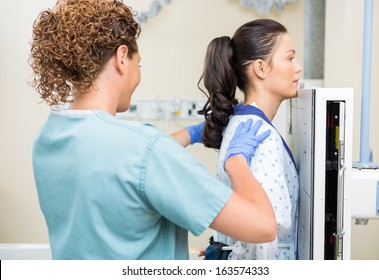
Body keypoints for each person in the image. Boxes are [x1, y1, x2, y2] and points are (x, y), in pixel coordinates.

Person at [28, 0, 276, 260]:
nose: (138, 72)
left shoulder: (47, 138)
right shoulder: (145, 150)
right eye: (139, 64)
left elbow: (121, 165)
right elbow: (262, 226)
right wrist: (236, 160)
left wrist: (191, 134)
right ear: (122, 58)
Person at [197, 19, 303, 260]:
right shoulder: (260, 135)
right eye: (289, 58)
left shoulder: (241, 124)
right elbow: (265, 235)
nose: (298, 67)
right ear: (261, 68)